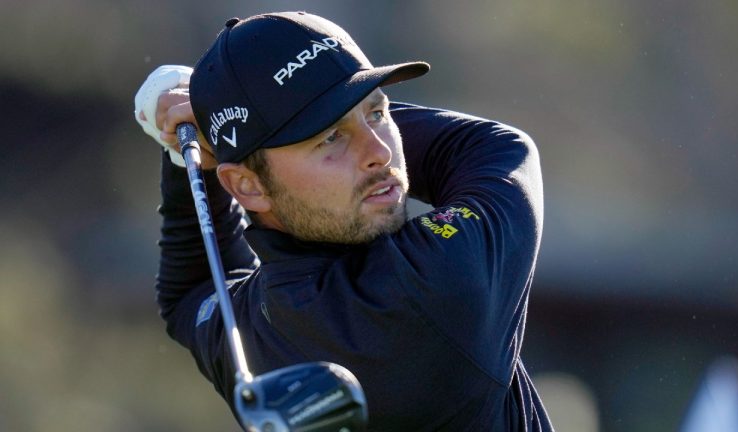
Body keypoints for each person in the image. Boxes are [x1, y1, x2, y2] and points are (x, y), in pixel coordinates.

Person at [135, 11, 552, 432]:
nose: (381, 152)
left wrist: (200, 150)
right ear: (247, 186)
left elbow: (191, 293)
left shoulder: (253, 332)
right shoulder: (441, 277)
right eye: (330, 136)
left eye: (377, 113)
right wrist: (226, 134)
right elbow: (492, 148)